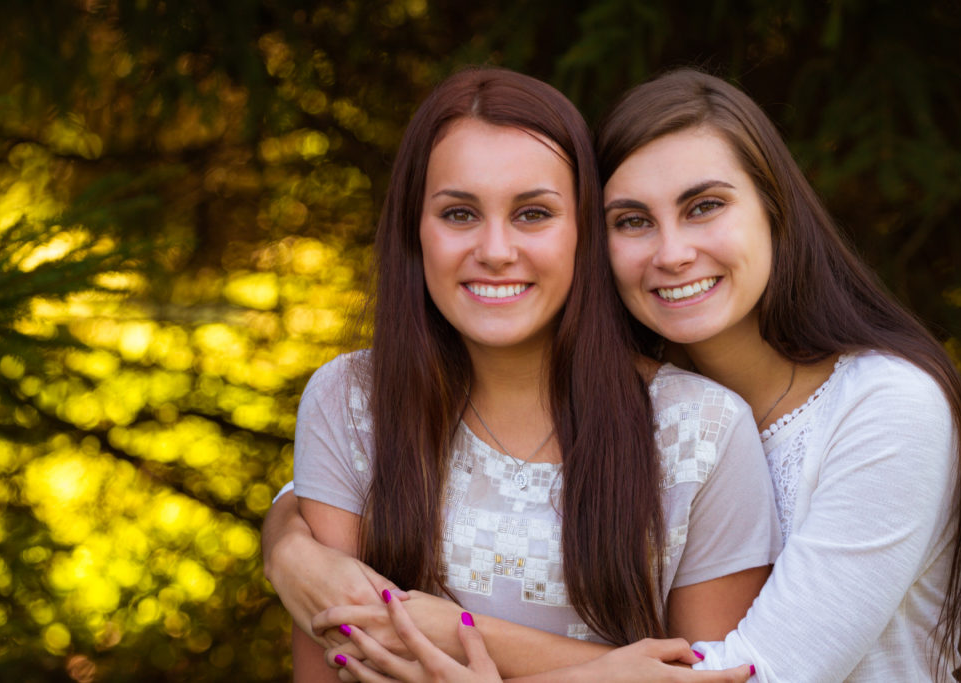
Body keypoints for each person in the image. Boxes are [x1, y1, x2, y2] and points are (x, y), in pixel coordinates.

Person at [282, 66, 777, 681]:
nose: (494, 249)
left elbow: (714, 679)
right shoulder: (351, 402)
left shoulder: (699, 430)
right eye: (459, 214)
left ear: (584, 232)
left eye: (533, 214)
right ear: (415, 231)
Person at [594, 68, 961, 682]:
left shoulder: (888, 405)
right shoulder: (639, 415)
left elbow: (760, 676)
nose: (672, 253)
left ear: (774, 211)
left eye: (704, 206)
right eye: (632, 221)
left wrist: (476, 645)